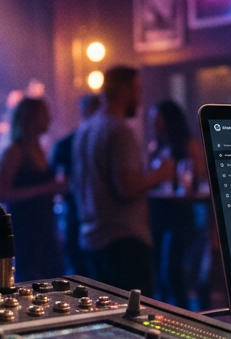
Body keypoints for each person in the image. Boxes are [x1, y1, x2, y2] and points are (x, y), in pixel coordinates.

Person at [72, 66, 174, 294]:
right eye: (137, 90)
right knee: (135, 320)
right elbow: (126, 187)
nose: (139, 99)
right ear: (125, 90)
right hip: (123, 241)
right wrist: (161, 173)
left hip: (91, 239)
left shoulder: (85, 130)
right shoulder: (119, 131)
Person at [149, 100, 210, 309]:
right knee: (161, 270)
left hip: (182, 213)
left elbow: (201, 177)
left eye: (157, 119)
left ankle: (182, 312)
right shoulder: (157, 145)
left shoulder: (188, 144)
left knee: (173, 270)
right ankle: (165, 310)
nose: (154, 124)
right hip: (160, 212)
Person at [0, 97, 64, 281]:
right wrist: (45, 188)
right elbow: (2, 193)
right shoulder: (15, 151)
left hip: (44, 227)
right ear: (31, 118)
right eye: (45, 114)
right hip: (25, 230)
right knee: (31, 279)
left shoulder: (39, 149)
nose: (50, 119)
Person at [51, 94, 101, 275]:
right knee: (80, 266)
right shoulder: (66, 144)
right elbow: (54, 182)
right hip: (76, 213)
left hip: (87, 214)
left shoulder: (66, 143)